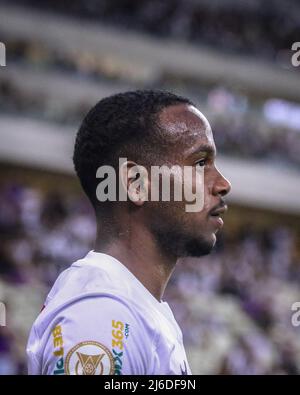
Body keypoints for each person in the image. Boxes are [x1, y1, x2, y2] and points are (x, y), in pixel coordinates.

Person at [27, 90, 231, 375]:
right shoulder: (99, 316)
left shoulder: (131, 308)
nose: (223, 184)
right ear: (136, 183)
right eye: (200, 163)